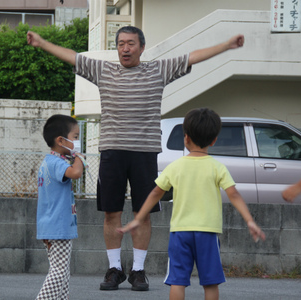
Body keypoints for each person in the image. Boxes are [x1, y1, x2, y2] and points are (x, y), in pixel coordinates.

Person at [27, 26, 245, 291]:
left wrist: (226, 45)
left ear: (142, 47)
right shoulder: (103, 70)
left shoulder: (158, 70)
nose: (125, 48)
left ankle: (138, 271)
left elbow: (192, 57)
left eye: (130, 43)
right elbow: (73, 56)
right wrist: (41, 41)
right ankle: (114, 269)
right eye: (120, 44)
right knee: (111, 212)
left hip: (144, 152)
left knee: (143, 214)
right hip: (112, 151)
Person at [118, 108, 266, 300]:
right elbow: (234, 195)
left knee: (178, 281)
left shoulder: (175, 166)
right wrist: (250, 221)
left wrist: (138, 219)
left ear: (186, 138)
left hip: (180, 232)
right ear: (214, 140)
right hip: (208, 232)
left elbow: (155, 193)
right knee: (210, 282)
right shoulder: (217, 167)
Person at [36, 114, 85, 300]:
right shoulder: (56, 163)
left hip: (53, 226)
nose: (78, 141)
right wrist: (79, 156)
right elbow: (76, 173)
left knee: (62, 273)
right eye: (75, 137)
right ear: (60, 140)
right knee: (58, 272)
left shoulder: (49, 162)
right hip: (58, 227)